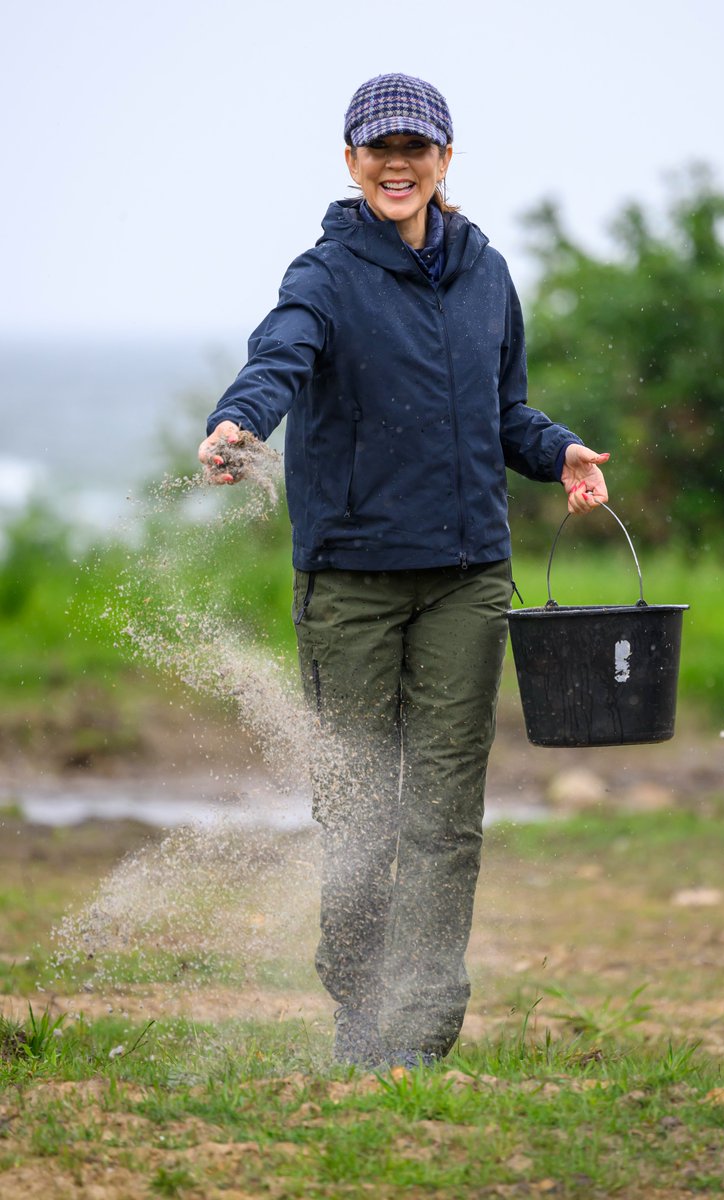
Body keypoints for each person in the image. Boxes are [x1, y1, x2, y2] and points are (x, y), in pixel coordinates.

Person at [199, 73, 609, 1069]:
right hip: (350, 581)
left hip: (467, 579)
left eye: (414, 148)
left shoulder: (485, 271)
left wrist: (555, 450)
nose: (396, 163)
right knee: (357, 809)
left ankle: (418, 1038)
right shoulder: (324, 275)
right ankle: (360, 1019)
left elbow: (503, 409)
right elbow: (281, 353)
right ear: (349, 162)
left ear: (443, 161)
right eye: (377, 148)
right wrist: (242, 416)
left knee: (442, 816)